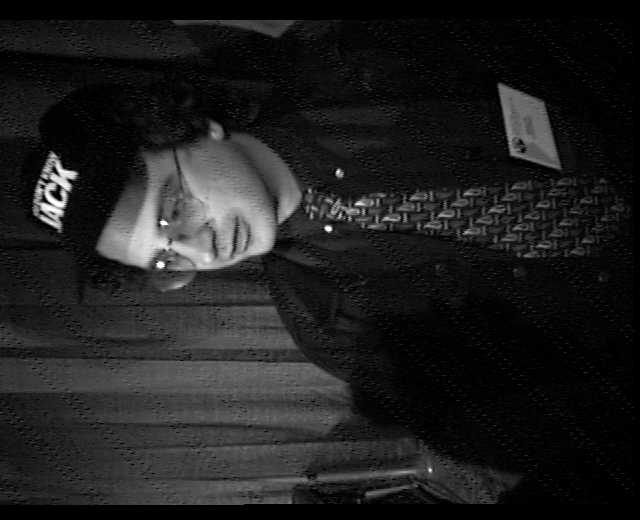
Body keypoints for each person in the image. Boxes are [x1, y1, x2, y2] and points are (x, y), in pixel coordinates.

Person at [21, 20, 633, 503]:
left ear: (192, 126)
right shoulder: (336, 330)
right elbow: (564, 425)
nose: (198, 249)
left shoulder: (360, 63)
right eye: (166, 259)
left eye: (173, 210)